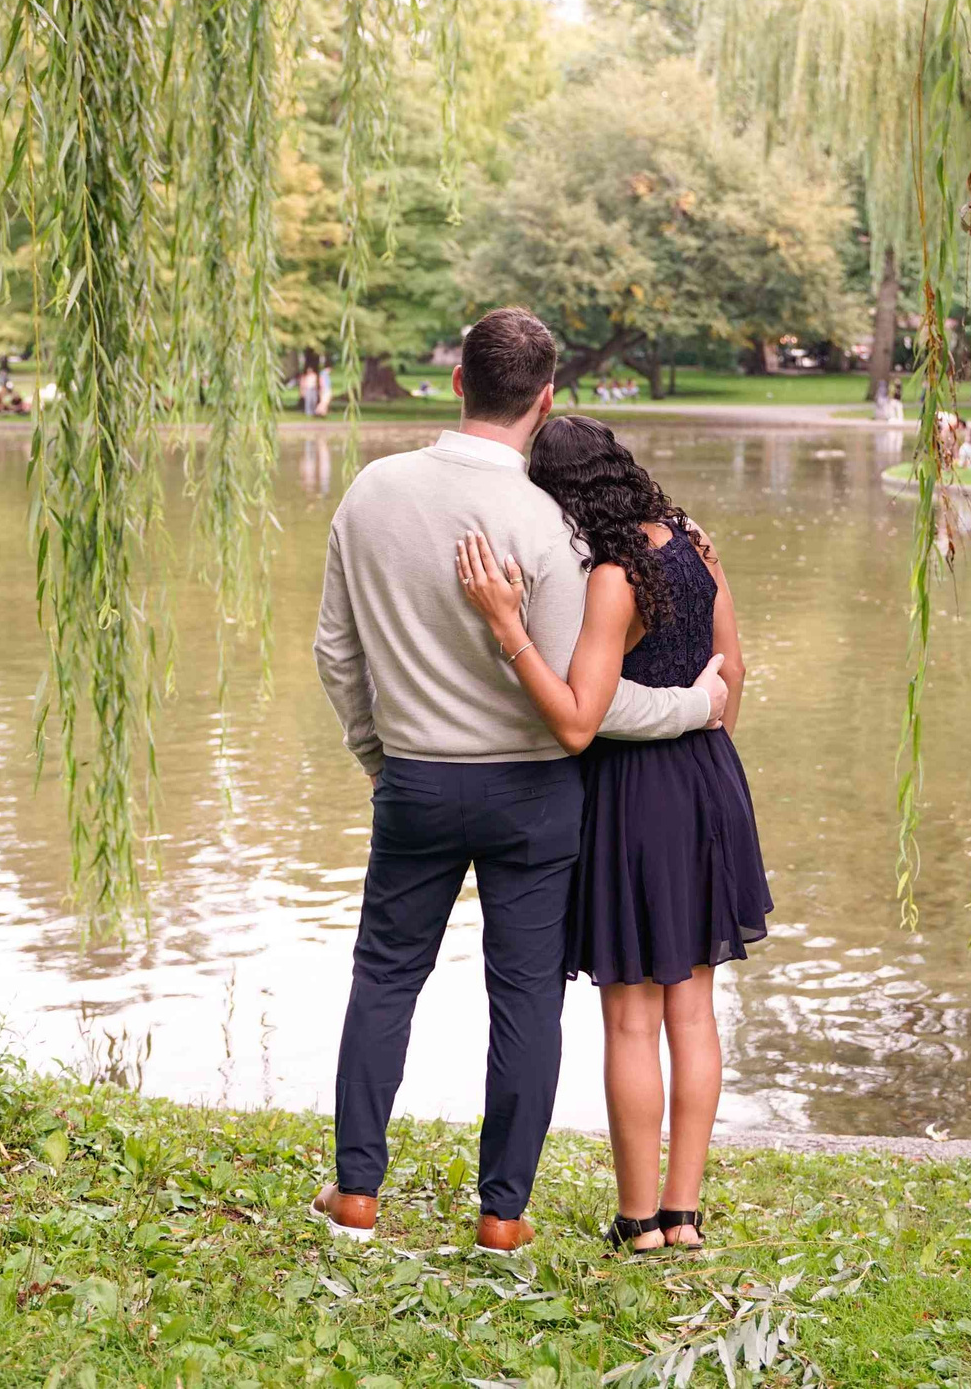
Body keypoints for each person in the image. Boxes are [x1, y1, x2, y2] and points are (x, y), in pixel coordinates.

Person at [311, 307, 728, 1256]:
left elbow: (336, 653)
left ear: (460, 380)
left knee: (385, 978)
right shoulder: (555, 527)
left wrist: (382, 755)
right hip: (536, 795)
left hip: (416, 780)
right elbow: (590, 702)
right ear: (545, 399)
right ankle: (503, 1213)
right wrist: (694, 706)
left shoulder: (372, 492)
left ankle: (358, 1194)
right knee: (526, 997)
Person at [451, 416, 771, 1255]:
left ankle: (639, 1221)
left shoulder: (612, 577)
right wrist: (706, 738)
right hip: (711, 781)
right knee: (693, 1011)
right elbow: (733, 672)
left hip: (635, 796)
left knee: (632, 1018)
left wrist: (510, 630)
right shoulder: (694, 543)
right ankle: (684, 1215)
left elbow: (579, 719)